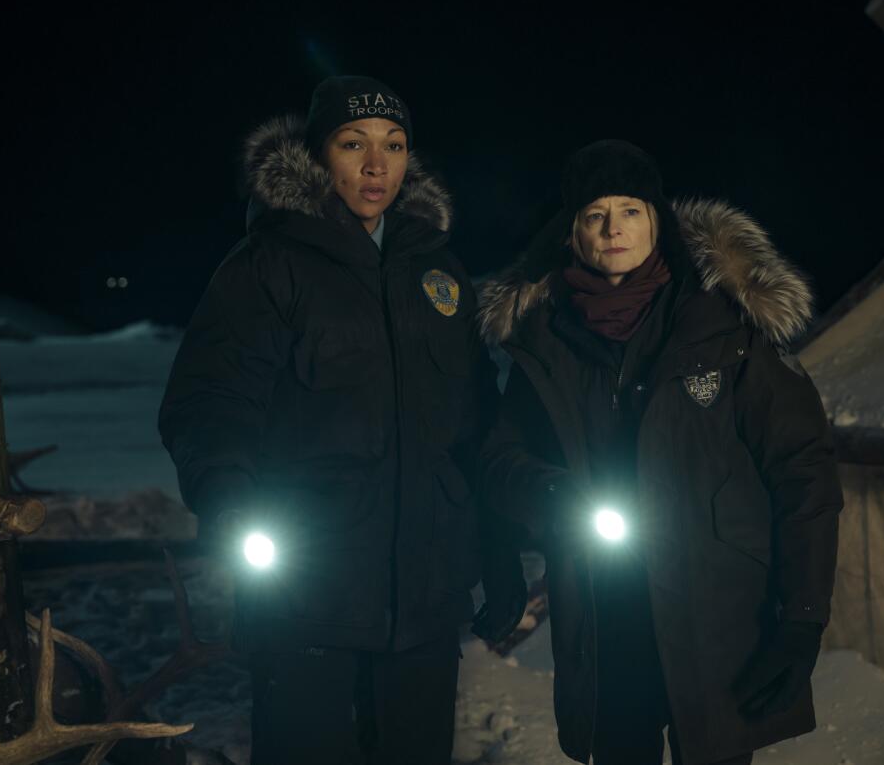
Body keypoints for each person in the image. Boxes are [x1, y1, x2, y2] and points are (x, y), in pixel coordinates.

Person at [158, 75, 526, 764]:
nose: (376, 164)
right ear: (318, 155)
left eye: (393, 145)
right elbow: (208, 402)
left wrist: (498, 550)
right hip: (307, 600)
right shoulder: (268, 267)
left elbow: (476, 427)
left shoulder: (438, 274)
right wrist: (232, 502)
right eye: (353, 144)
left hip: (424, 606)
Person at [477, 140, 843, 765]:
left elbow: (803, 470)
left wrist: (803, 619)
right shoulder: (546, 340)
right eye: (595, 214)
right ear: (572, 234)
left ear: (657, 222)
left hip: (717, 614)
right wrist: (552, 492)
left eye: (631, 210)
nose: (613, 228)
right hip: (605, 612)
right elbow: (499, 460)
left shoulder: (721, 327)